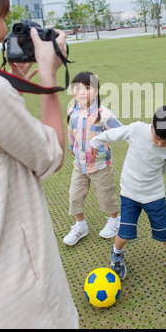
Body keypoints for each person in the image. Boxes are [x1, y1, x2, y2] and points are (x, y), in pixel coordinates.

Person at [0, 0, 78, 329]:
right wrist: (48, 76)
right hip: (19, 299)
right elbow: (52, 156)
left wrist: (10, 89)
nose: (6, 32)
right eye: (3, 18)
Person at [90, 106, 166, 290]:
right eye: (158, 138)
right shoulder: (137, 130)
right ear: (153, 126)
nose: (161, 145)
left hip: (154, 195)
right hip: (129, 193)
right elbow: (113, 134)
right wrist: (94, 143)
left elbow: (164, 169)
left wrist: (153, 184)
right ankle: (117, 254)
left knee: (165, 232)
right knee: (125, 233)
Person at [63, 71, 122, 246]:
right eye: (78, 87)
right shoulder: (72, 111)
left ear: (96, 91)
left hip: (100, 165)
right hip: (79, 164)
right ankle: (80, 226)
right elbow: (71, 132)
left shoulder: (103, 113)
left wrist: (139, 136)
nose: (82, 92)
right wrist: (71, 146)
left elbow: (120, 131)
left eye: (87, 88)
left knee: (106, 196)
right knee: (75, 196)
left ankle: (115, 221)